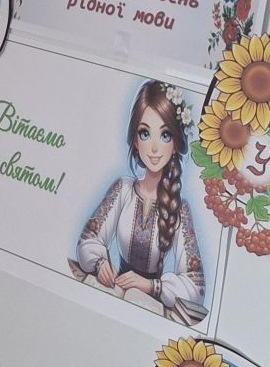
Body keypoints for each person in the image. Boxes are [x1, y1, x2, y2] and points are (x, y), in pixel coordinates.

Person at [72, 81, 207, 323]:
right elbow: (88, 239)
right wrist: (100, 263)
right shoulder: (123, 190)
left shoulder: (180, 210)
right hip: (114, 288)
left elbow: (196, 286)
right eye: (145, 133)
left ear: (176, 143)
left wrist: (152, 286)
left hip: (151, 306)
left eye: (165, 135)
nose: (154, 148)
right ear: (135, 139)